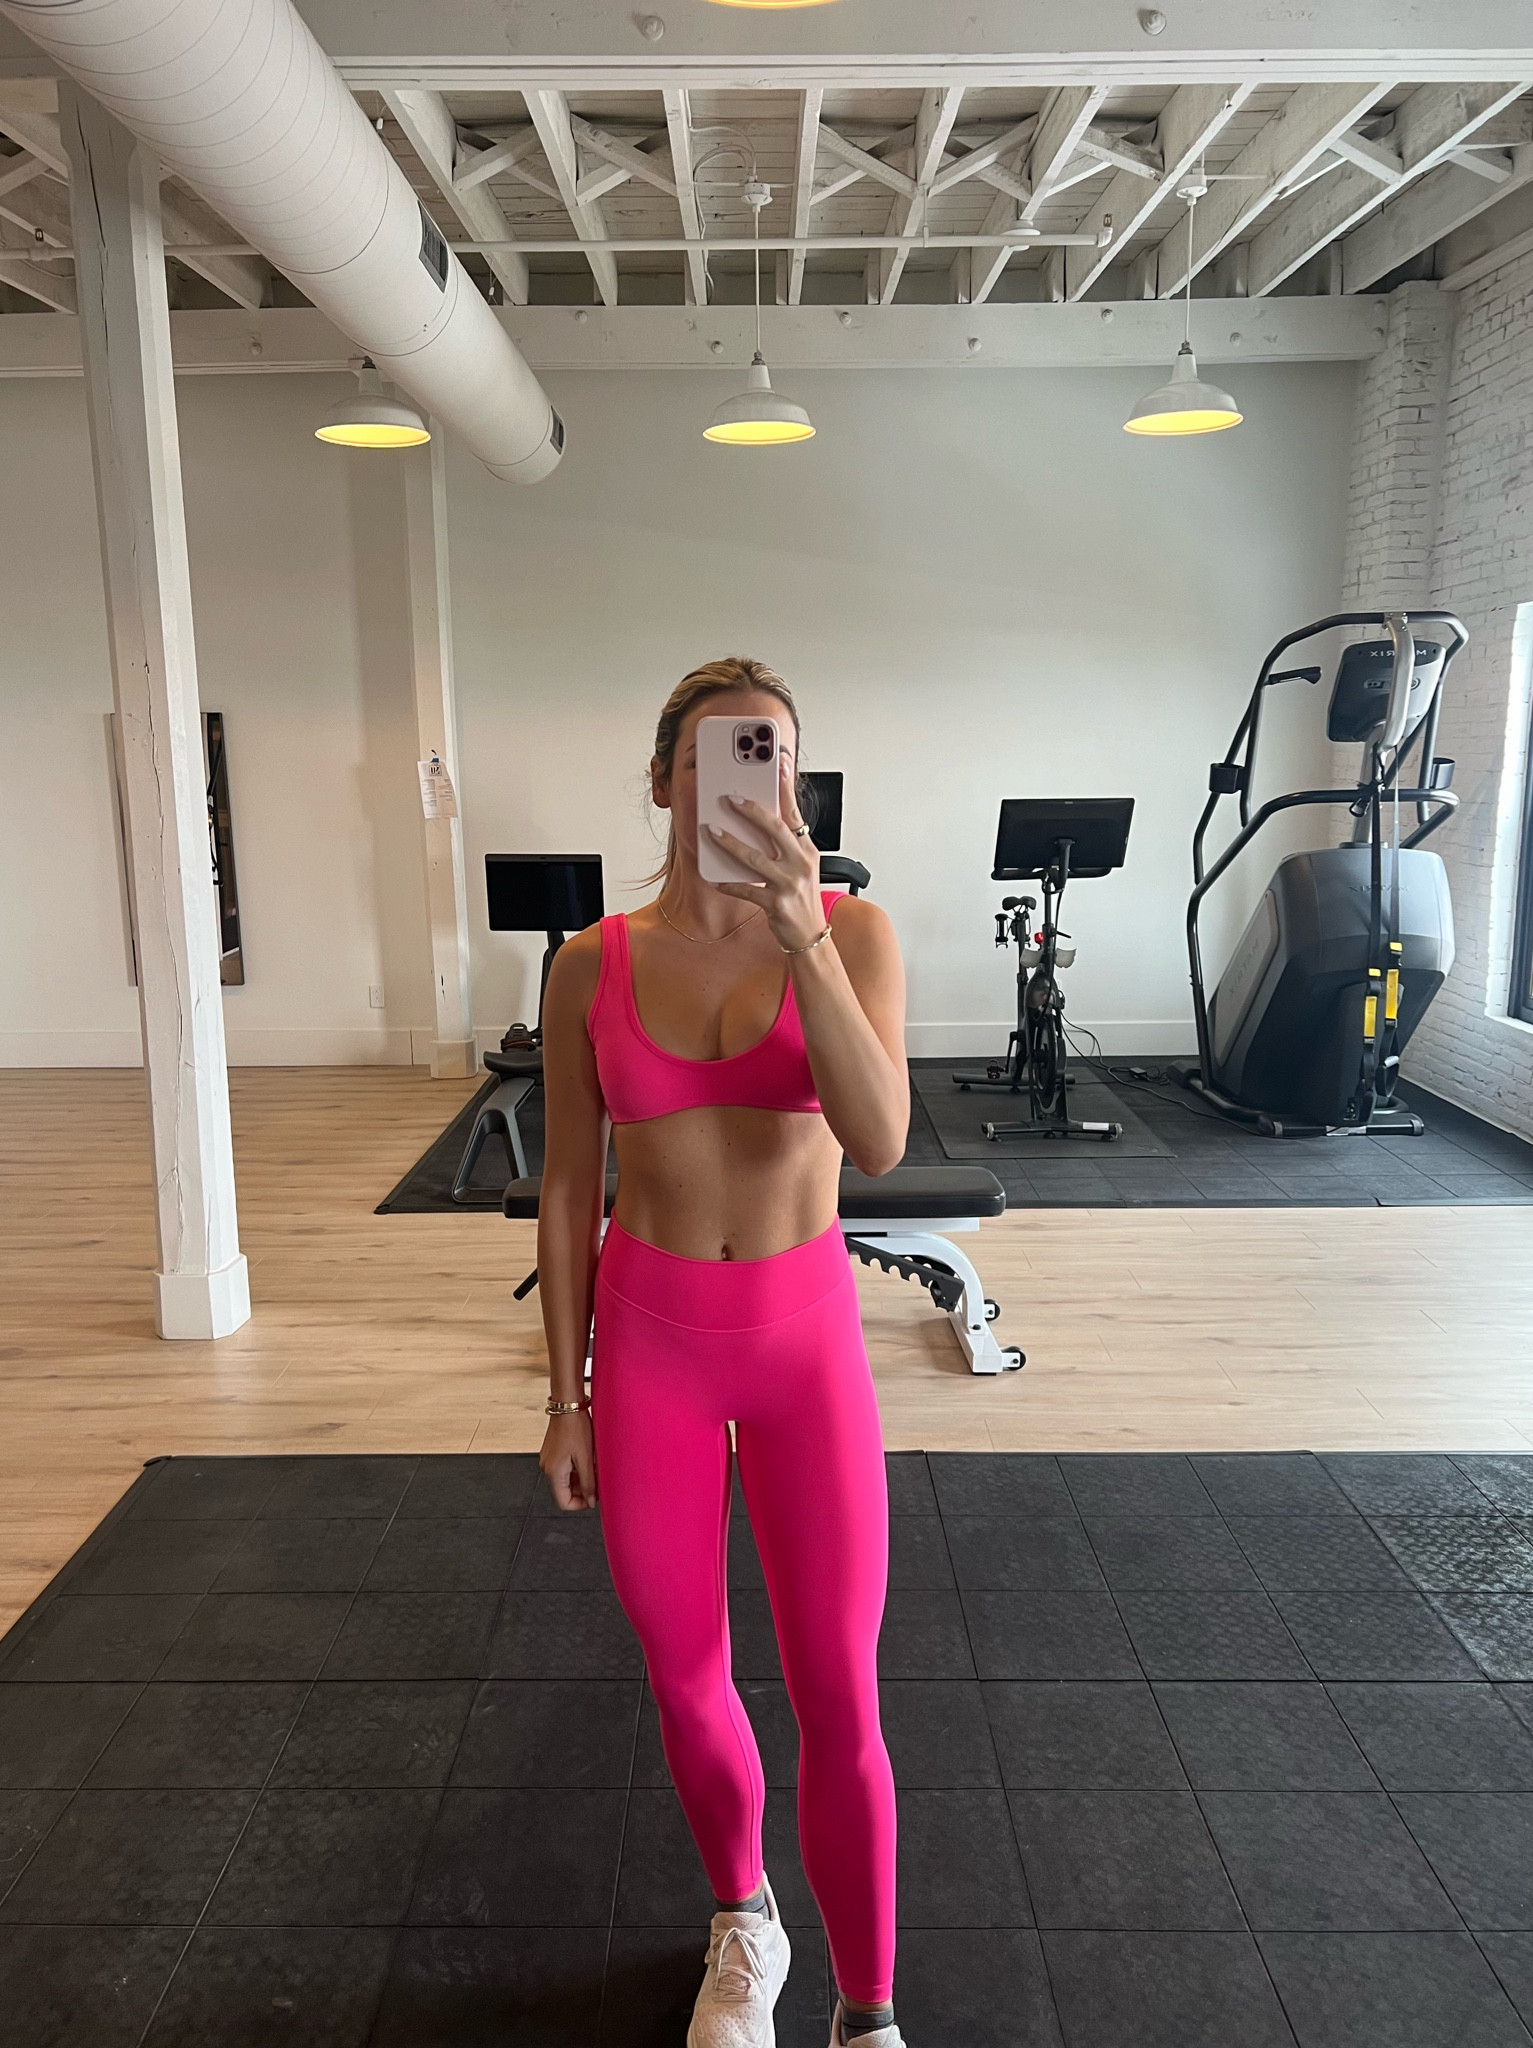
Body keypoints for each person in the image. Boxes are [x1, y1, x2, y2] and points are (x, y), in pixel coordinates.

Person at [535, 656, 911, 2048]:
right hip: (652, 1350)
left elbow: (879, 1141)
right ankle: (745, 1921)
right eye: (716, 754)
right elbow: (567, 1185)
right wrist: (564, 1398)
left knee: (838, 1689)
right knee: (687, 1674)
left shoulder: (856, 934)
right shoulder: (591, 962)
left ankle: (866, 2009)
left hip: (805, 1347)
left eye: (774, 754)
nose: (751, 777)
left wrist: (803, 939)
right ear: (664, 782)